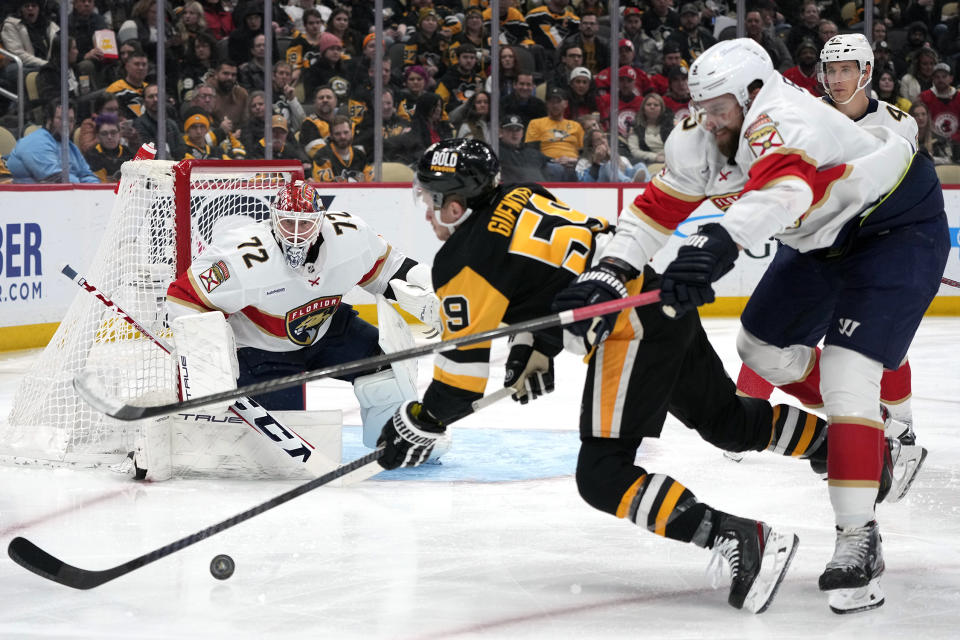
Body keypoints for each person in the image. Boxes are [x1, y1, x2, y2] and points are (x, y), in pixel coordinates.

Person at [560, 38, 945, 614]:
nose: (708, 121)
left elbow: (786, 190)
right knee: (760, 349)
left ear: (754, 93)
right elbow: (655, 208)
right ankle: (857, 423)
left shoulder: (783, 117)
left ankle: (858, 536)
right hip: (819, 240)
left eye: (719, 109)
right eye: (702, 107)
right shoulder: (704, 133)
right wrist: (612, 268)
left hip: (894, 229)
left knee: (846, 374)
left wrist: (719, 242)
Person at [376, 138, 812, 614]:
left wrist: (418, 420)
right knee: (726, 421)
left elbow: (459, 385)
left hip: (631, 330)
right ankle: (842, 446)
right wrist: (533, 346)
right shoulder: (524, 194)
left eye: (432, 202)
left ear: (456, 205)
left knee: (603, 475)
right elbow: (547, 276)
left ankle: (737, 536)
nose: (427, 214)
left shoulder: (463, 262)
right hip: (660, 300)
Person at [736, 33, 922, 454]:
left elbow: (904, 191)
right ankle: (746, 411)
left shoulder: (898, 123)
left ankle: (902, 423)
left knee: (881, 338)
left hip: (870, 250)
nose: (836, 79)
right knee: (771, 332)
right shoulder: (806, 116)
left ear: (866, 72)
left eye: (845, 70)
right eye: (830, 70)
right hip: (812, 245)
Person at [166, 179, 440, 450]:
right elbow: (185, 297)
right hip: (262, 351)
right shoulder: (242, 256)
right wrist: (209, 361)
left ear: (320, 221)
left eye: (305, 224)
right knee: (282, 448)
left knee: (391, 366)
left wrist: (431, 290)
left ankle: (394, 440)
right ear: (273, 220)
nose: (296, 234)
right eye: (287, 223)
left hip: (326, 329)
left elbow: (389, 268)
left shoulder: (350, 235)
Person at [6, 101, 99, 183]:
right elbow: (56, 179)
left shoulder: (71, 147)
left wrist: (95, 188)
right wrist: (82, 185)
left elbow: (87, 175)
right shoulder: (37, 141)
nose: (66, 124)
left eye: (70, 120)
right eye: (61, 119)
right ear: (49, 120)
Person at [525, 87, 583, 181]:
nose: (555, 105)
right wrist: (552, 160)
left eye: (558, 101)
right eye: (551, 102)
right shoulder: (536, 123)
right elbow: (532, 151)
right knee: (556, 169)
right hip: (549, 164)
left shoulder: (576, 126)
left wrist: (573, 160)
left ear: (565, 104)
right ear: (547, 104)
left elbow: (584, 152)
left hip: (573, 163)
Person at [311, 114, 373, 182]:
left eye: (346, 132)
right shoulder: (322, 156)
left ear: (351, 132)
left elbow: (371, 182)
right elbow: (326, 188)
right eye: (337, 134)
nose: (343, 137)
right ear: (331, 135)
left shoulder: (360, 155)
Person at [497, 113, 552, 182]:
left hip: (540, 189)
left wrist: (561, 160)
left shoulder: (532, 152)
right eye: (510, 129)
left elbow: (551, 161)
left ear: (522, 133)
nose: (515, 133)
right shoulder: (496, 151)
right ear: (501, 132)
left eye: (518, 130)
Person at [84, 114, 134, 182]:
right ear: (98, 137)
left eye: (113, 132)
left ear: (119, 134)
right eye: (104, 133)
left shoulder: (129, 154)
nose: (109, 137)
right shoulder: (91, 156)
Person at [627, 92, 673, 166]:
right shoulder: (635, 127)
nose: (652, 107)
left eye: (656, 105)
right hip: (648, 162)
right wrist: (655, 157)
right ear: (643, 108)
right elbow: (634, 151)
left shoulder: (672, 124)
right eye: (649, 105)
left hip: (672, 160)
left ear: (662, 109)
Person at [105, 47, 149, 119]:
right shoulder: (115, 89)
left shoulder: (150, 89)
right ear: (127, 67)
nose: (141, 68)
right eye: (136, 64)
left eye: (144, 65)